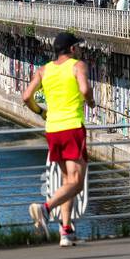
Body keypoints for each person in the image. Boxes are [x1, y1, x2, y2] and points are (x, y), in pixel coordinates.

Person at [24, 32, 94, 247]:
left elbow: (26, 96)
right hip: (72, 127)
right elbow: (85, 89)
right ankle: (45, 209)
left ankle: (66, 231)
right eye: (78, 47)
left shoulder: (44, 70)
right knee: (76, 183)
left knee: (67, 181)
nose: (80, 50)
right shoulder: (77, 65)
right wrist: (90, 102)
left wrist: (41, 112)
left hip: (52, 129)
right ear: (72, 49)